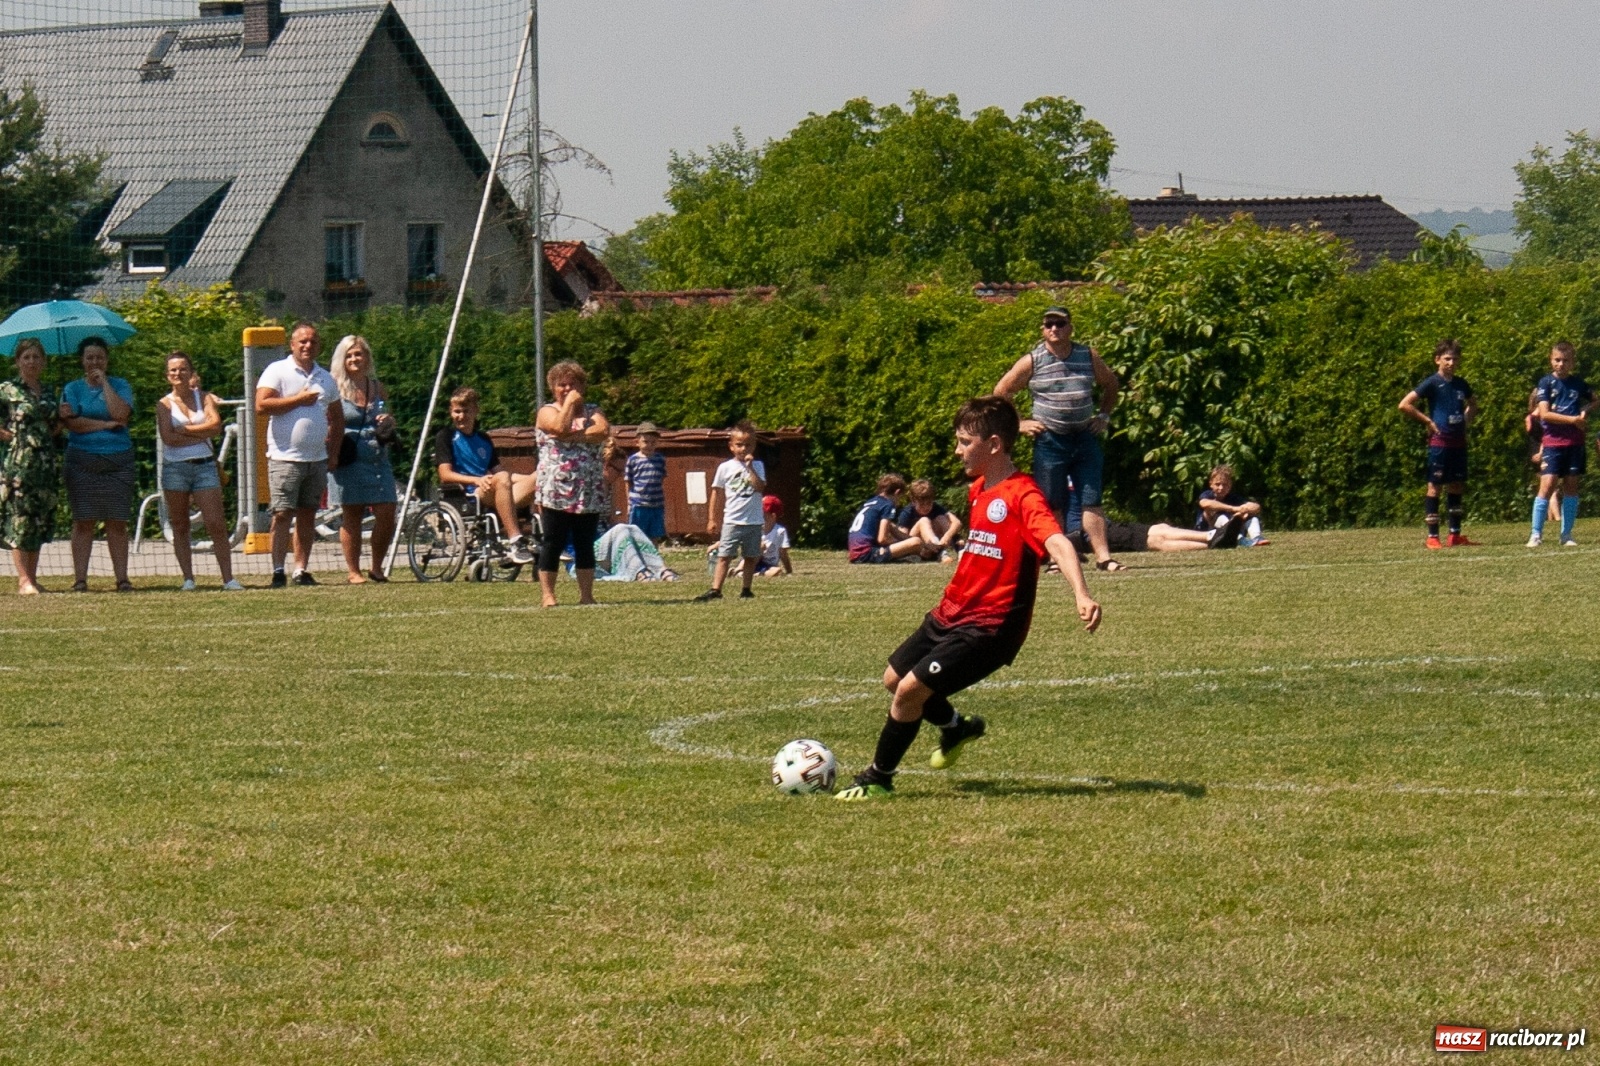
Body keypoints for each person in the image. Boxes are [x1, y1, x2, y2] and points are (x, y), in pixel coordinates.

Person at [835, 395, 1101, 801]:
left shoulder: (1023, 495)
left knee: (910, 692)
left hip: (990, 626)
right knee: (894, 680)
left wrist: (1081, 594)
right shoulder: (979, 489)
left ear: (993, 444)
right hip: (951, 612)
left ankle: (878, 778)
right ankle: (956, 728)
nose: (957, 450)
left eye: (964, 441)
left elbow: (1057, 541)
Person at [994, 305, 1122, 571]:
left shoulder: (1087, 355)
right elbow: (1002, 390)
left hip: (1084, 436)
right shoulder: (1033, 359)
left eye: (1060, 324)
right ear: (1042, 329)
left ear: (1070, 327)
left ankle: (1104, 558)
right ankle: (1056, 559)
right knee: (1053, 502)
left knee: (1092, 497)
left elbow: (1111, 384)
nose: (1054, 329)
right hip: (1051, 440)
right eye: (1049, 324)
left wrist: (1104, 416)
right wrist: (1019, 423)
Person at [254, 322, 344, 587]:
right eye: (302, 341)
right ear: (292, 345)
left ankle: (300, 570)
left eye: (313, 341)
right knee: (282, 514)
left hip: (316, 460)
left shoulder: (325, 378)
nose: (307, 346)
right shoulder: (277, 371)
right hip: (285, 458)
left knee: (307, 515)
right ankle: (278, 570)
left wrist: (333, 453)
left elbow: (337, 419)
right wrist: (298, 400)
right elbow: (262, 405)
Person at [156, 352, 243, 591]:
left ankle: (228, 578)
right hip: (175, 469)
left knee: (216, 523)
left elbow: (215, 426)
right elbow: (168, 438)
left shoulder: (204, 397)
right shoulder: (164, 404)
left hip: (205, 466)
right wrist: (198, 431)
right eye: (173, 370)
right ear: (167, 375)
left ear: (191, 372)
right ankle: (188, 579)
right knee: (180, 524)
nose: (178, 374)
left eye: (183, 369)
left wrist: (185, 429)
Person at [59, 336, 136, 592]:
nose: (94, 361)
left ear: (107, 360)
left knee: (117, 521)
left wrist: (104, 385)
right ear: (82, 360)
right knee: (84, 521)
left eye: (99, 357)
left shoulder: (120, 385)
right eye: (89, 357)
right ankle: (80, 580)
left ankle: (122, 579)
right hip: (82, 459)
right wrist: (103, 425)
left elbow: (121, 414)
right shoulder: (72, 389)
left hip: (118, 459)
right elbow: (73, 424)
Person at [534, 361, 610, 606]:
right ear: (553, 388)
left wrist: (571, 436)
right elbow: (557, 426)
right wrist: (568, 405)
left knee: (584, 542)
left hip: (588, 489)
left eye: (572, 384)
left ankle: (586, 596)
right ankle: (548, 595)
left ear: (582, 386)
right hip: (556, 489)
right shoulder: (546, 410)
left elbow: (602, 431)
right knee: (553, 541)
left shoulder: (593, 410)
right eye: (561, 385)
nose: (567, 388)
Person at [433, 387, 536, 565]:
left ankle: (548, 539)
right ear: (451, 412)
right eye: (457, 411)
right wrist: (476, 479)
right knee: (503, 478)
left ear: (476, 411)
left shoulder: (484, 439)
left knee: (540, 477)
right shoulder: (446, 436)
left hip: (492, 487)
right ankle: (515, 541)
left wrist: (527, 479)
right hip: (470, 493)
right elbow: (445, 474)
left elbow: (500, 472)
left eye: (466, 411)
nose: (461, 416)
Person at [326, 335, 399, 584]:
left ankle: (377, 567)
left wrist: (387, 420)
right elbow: (328, 421)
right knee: (352, 514)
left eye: (359, 354)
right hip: (348, 456)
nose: (355, 359)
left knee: (387, 510)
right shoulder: (333, 387)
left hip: (377, 456)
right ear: (342, 359)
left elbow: (388, 413)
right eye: (349, 355)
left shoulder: (376, 387)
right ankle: (353, 571)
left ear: (367, 357)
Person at [1397, 339, 1476, 548]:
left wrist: (1466, 422)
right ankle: (1432, 537)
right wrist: (1428, 421)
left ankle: (1455, 535)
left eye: (1455, 359)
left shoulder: (1461, 384)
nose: (1451, 362)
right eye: (1447, 358)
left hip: (1458, 442)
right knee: (1435, 486)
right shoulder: (1432, 383)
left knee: (1457, 485)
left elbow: (1473, 404)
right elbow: (1404, 404)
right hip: (1440, 443)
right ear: (1437, 360)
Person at [0, 338, 62, 595]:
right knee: (20, 519)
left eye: (37, 357)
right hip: (18, 466)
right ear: (17, 362)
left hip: (45, 464)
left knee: (39, 520)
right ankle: (23, 579)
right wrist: (11, 437)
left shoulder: (48, 392)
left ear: (44, 362)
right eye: (27, 357)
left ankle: (33, 579)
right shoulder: (7, 389)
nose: (32, 362)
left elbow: (54, 427)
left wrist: (62, 417)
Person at [1529, 341, 1597, 548]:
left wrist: (1585, 410)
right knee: (1547, 485)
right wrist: (1573, 420)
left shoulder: (1578, 383)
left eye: (1565, 361)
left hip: (1575, 443)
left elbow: (1596, 399)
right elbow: (1545, 414)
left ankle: (1566, 534)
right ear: (1551, 360)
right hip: (1553, 443)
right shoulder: (1546, 383)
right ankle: (1536, 534)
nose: (1561, 364)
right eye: (1557, 360)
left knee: (1571, 487)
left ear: (1572, 362)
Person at [696, 420, 766, 601]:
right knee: (724, 555)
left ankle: (746, 589)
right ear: (731, 446)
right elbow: (716, 493)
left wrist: (750, 469)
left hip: (753, 520)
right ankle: (716, 589)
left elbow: (759, 487)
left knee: (751, 556)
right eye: (739, 445)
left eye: (748, 445)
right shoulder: (725, 468)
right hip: (732, 520)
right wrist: (712, 519)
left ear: (754, 446)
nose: (743, 449)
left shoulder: (758, 466)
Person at [847, 474, 933, 563]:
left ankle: (916, 554)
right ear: (897, 492)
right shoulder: (888, 504)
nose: (899, 502)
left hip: (855, 553)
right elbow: (882, 539)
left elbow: (894, 529)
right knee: (916, 542)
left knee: (915, 542)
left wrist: (921, 543)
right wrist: (908, 544)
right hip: (867, 553)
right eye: (900, 498)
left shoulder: (872, 502)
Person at [1067, 517, 1238, 558]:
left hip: (1104, 525)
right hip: (1087, 536)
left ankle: (1212, 536)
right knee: (1156, 540)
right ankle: (1213, 541)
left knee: (1160, 529)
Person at [1193, 465, 1268, 547]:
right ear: (1211, 484)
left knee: (1249, 515)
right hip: (1207, 532)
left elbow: (1256, 507)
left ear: (1230, 485)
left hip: (1226, 532)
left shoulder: (1233, 498)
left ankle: (1257, 537)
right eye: (1217, 484)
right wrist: (1233, 508)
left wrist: (1246, 509)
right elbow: (1205, 503)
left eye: (1225, 485)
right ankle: (1239, 539)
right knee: (1214, 512)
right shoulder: (1207, 495)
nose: (1221, 488)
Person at [896, 477, 964, 558]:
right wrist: (924, 545)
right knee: (924, 520)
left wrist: (947, 537)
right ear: (913, 501)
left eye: (929, 503)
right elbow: (902, 538)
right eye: (921, 504)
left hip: (936, 543)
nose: (926, 507)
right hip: (918, 547)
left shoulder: (936, 507)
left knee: (941, 518)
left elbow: (957, 522)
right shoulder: (907, 512)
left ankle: (959, 549)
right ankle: (940, 553)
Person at [624, 421, 668, 545]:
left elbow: (661, 478)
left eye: (653, 442)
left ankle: (653, 560)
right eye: (646, 442)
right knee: (637, 534)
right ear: (637, 442)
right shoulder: (633, 460)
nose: (649, 445)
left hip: (656, 504)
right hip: (639, 504)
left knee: (654, 535)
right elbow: (628, 481)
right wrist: (629, 502)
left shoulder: (660, 459)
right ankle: (637, 560)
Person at [756, 494, 793, 577]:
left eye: (763, 513)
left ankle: (751, 574)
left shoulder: (780, 531)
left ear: (773, 516)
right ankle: (739, 570)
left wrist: (789, 571)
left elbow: (783, 554)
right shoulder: (757, 529)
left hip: (768, 565)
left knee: (777, 571)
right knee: (760, 546)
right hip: (753, 562)